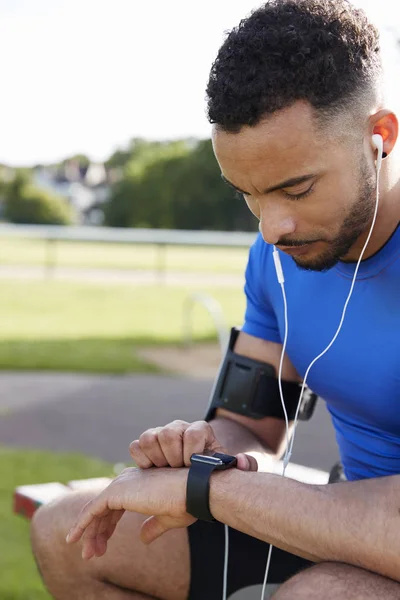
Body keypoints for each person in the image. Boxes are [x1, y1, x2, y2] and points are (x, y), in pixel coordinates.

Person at [31, 0, 400, 598]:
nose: (272, 227)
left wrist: (207, 490)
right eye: (247, 195)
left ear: (379, 136)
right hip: (345, 520)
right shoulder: (278, 255)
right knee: (63, 531)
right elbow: (248, 422)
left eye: (296, 189)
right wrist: (200, 452)